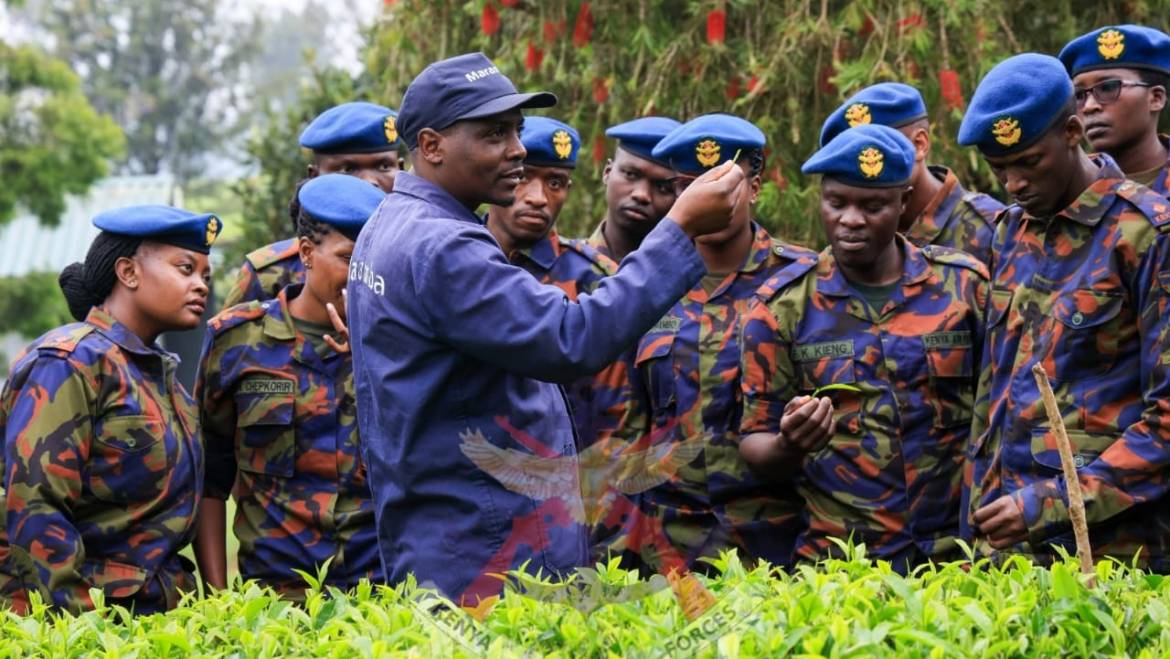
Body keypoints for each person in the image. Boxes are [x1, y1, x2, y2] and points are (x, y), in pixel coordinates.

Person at [346, 52, 746, 605]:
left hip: (445, 528)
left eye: (516, 130)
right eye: (493, 133)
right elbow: (572, 338)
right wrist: (679, 228)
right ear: (432, 146)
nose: (516, 150)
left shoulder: (390, 221)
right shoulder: (442, 245)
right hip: (487, 549)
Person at [739, 124, 988, 572]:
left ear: (904, 201)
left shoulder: (964, 287)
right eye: (837, 203)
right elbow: (754, 443)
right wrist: (790, 443)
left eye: (872, 206)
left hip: (961, 557)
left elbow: (1003, 414)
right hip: (843, 566)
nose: (851, 220)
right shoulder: (782, 309)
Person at [957, 54, 1170, 568]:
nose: (1012, 183)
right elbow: (998, 393)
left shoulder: (1148, 235)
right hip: (1005, 548)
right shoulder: (1010, 232)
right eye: (998, 167)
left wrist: (1044, 505)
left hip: (1112, 556)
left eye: (1028, 162)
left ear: (1073, 131)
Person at [601, 113, 819, 575]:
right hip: (667, 547)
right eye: (688, 186)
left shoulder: (804, 282)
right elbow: (624, 430)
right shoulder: (643, 285)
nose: (711, 200)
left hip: (777, 545)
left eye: (726, 183)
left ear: (755, 187)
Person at [0, 205, 221, 614]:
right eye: (185, 268)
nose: (201, 286)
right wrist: (83, 626)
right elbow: (35, 505)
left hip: (156, 619)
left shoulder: (162, 379)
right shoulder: (70, 362)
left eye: (205, 276)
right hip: (92, 622)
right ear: (128, 273)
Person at [194, 175, 385, 598]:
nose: (364, 276)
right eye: (350, 259)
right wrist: (216, 599)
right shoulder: (237, 341)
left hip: (384, 595)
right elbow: (210, 474)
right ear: (306, 253)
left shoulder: (401, 345)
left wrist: (373, 352)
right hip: (275, 600)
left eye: (376, 261)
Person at [221, 102, 401, 308]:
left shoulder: (419, 260)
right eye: (348, 169)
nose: (370, 181)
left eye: (384, 166)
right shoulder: (270, 274)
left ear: (402, 170)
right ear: (314, 177)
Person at [820, 82, 1004, 265]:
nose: (861, 169)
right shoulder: (850, 233)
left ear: (919, 145)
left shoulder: (993, 231)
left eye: (877, 152)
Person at [485, 116, 615, 299]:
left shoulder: (598, 279)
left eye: (554, 183)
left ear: (567, 190)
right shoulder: (455, 252)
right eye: (522, 177)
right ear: (492, 177)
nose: (538, 198)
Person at [1059, 25, 1169, 196]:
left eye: (1108, 88)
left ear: (1156, 98)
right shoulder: (1062, 193)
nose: (1089, 106)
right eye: (1079, 95)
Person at [586, 117, 682, 262]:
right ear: (607, 172)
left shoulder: (688, 279)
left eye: (662, 188)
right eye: (630, 175)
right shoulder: (562, 267)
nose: (641, 195)